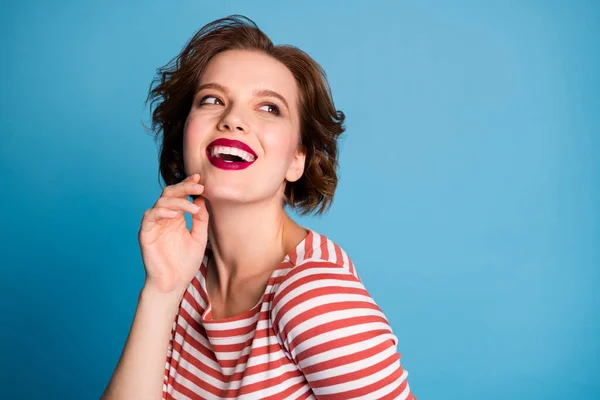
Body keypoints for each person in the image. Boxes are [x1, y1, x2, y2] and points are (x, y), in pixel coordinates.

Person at [102, 14, 415, 400]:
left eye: (269, 108)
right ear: (185, 139)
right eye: (212, 100)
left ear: (296, 160)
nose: (233, 119)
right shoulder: (187, 271)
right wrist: (162, 291)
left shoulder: (314, 296)